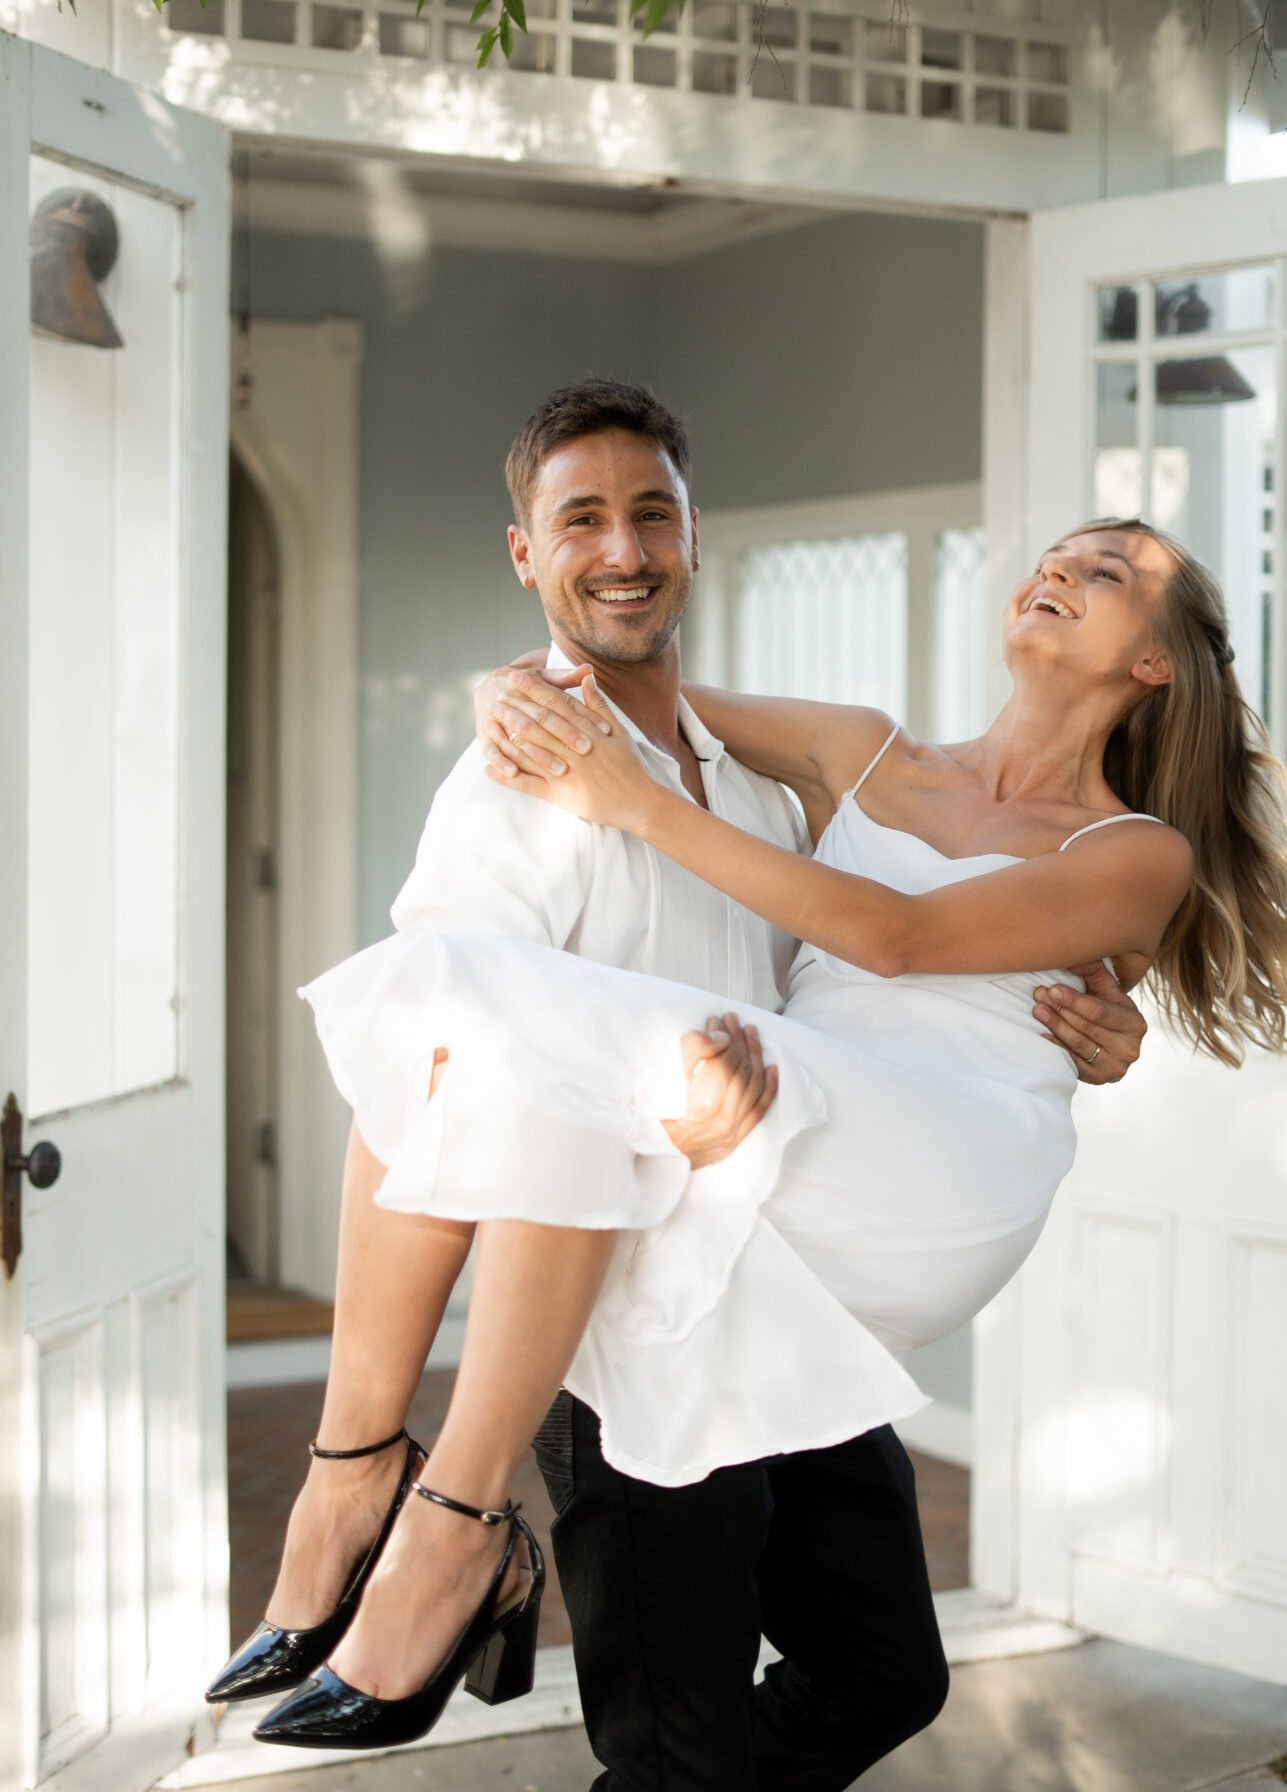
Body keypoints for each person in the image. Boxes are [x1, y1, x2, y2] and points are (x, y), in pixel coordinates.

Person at [207, 380, 1175, 1785]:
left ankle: (404, 1508)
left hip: (805, 1207)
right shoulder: (529, 780)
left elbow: (877, 948)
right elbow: (448, 1060)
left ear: (694, 537)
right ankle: (407, 1506)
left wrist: (1097, 1019)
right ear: (526, 555)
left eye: (650, 514)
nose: (623, 548)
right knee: (679, 1741)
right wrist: (524, 688)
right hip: (622, 1282)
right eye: (580, 521)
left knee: (878, 1674)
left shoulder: (791, 784)